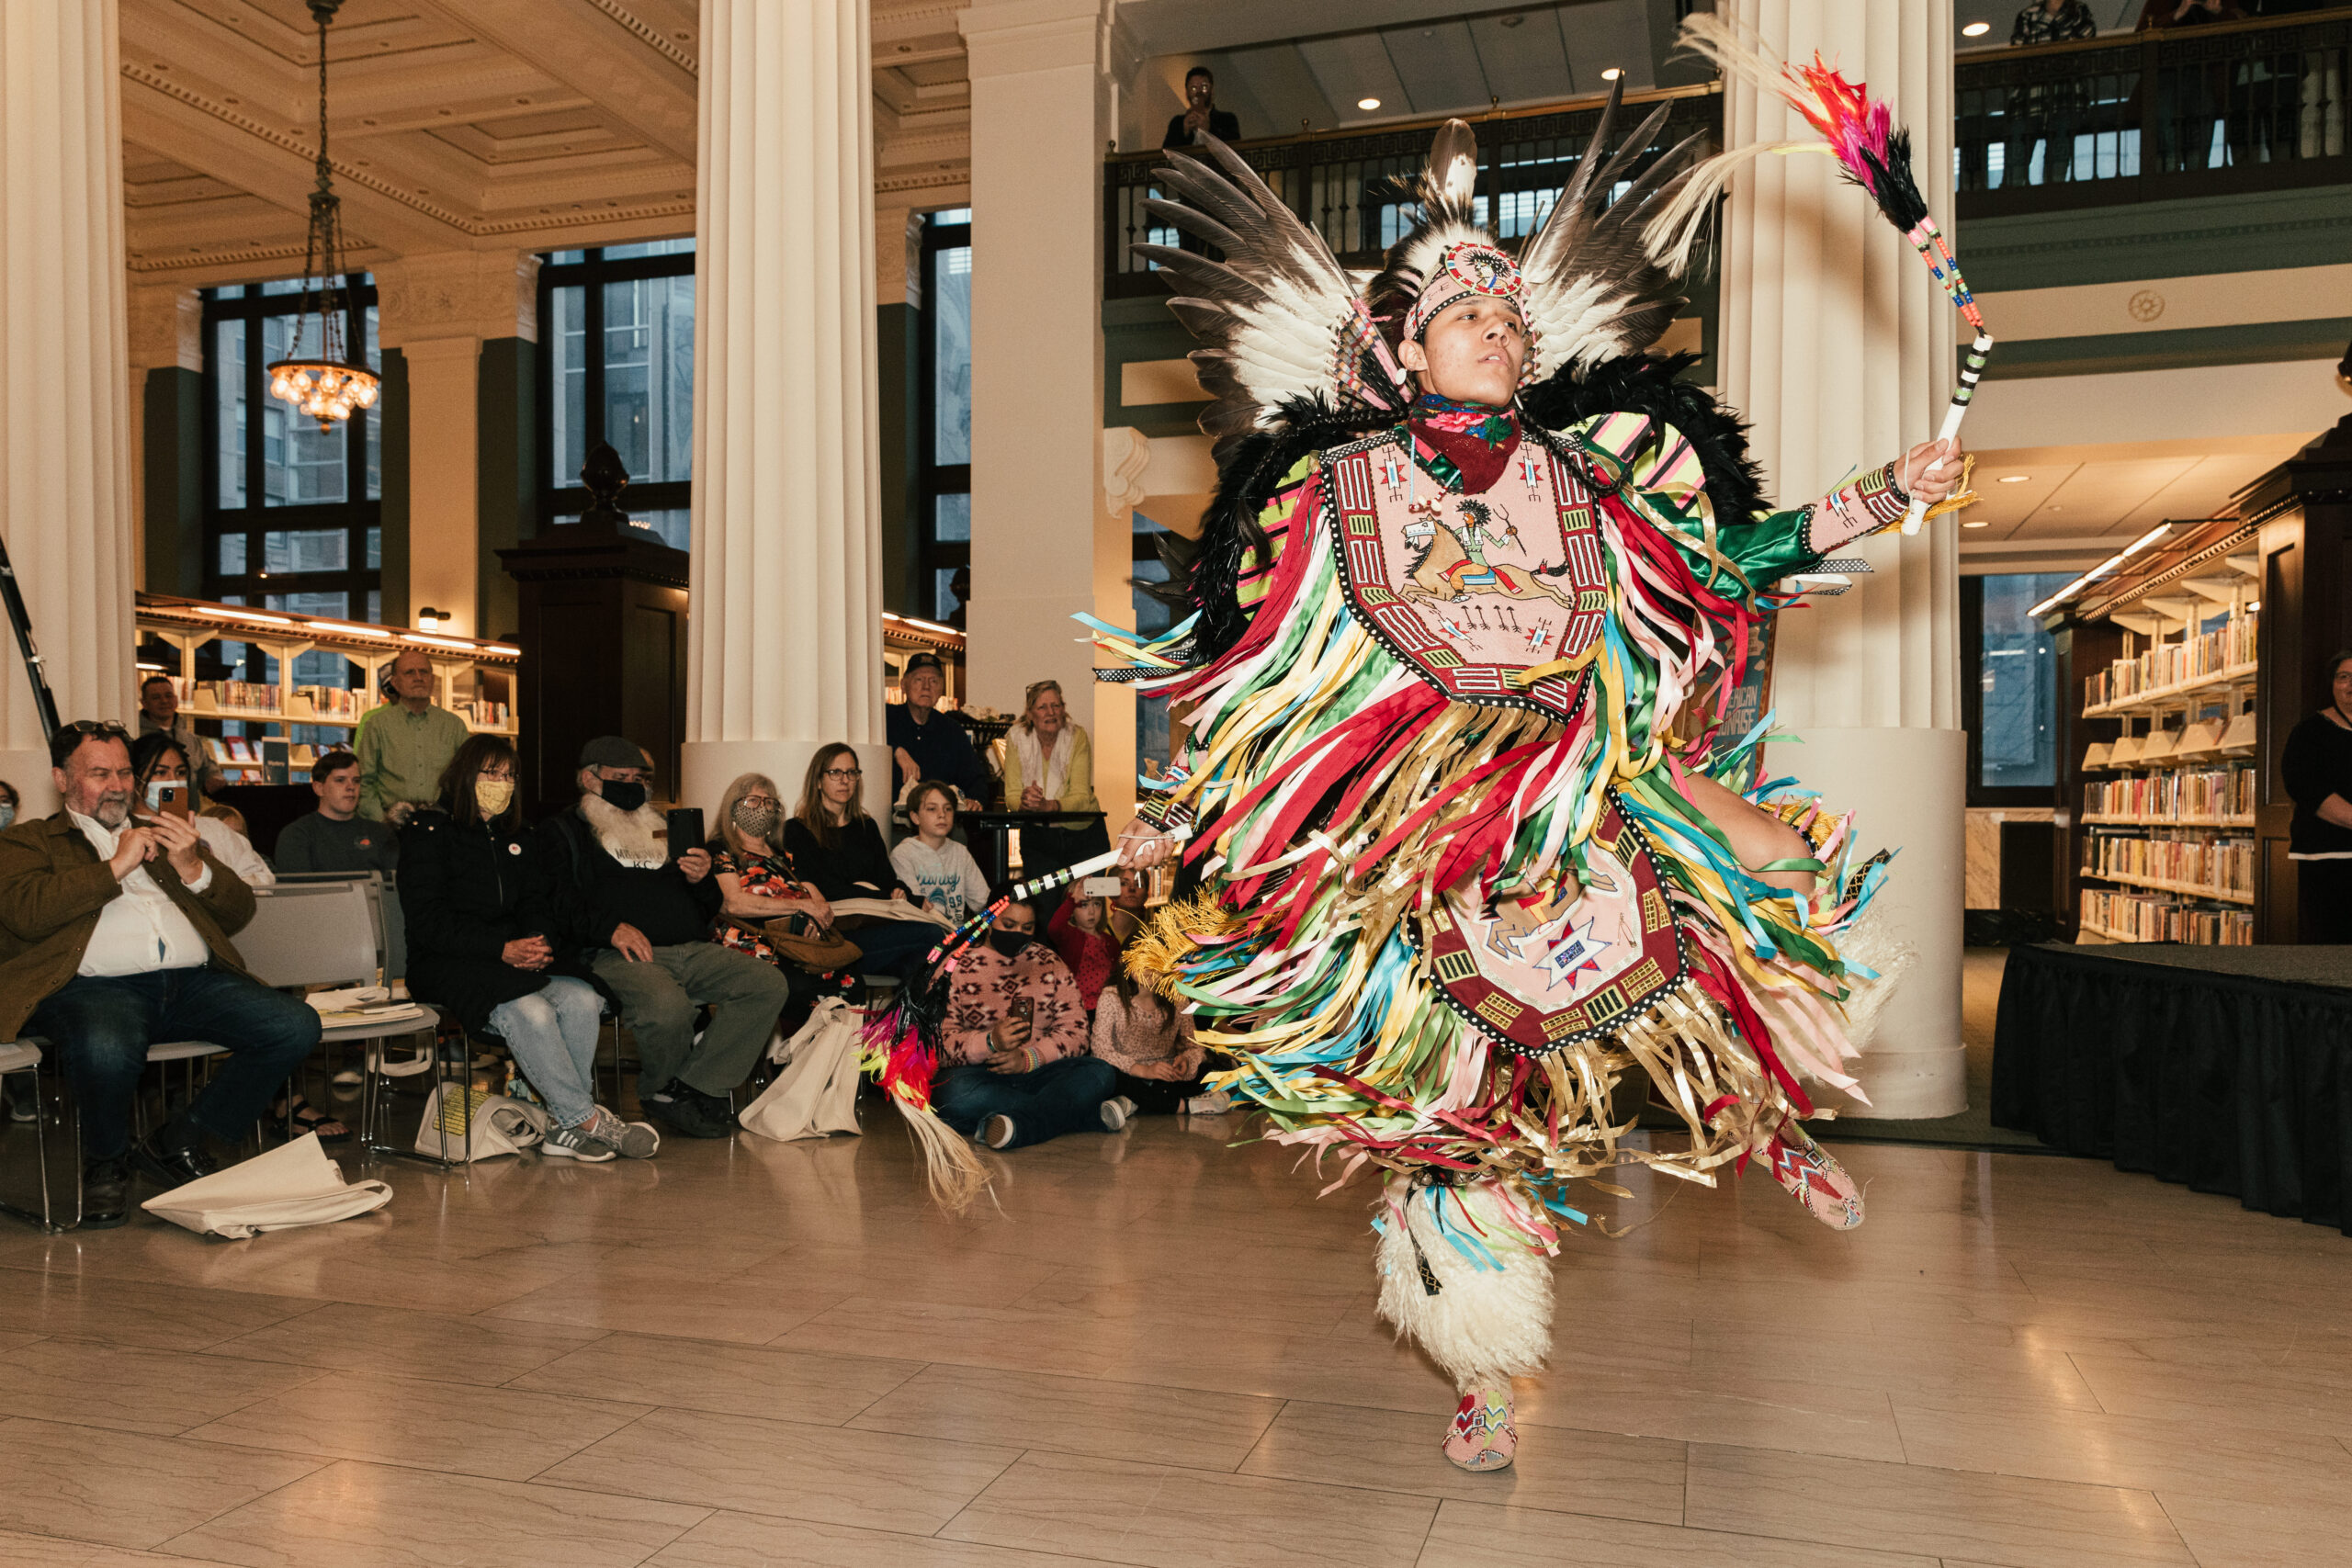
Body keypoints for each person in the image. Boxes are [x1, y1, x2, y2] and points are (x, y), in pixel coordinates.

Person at [1110, 106, 1966, 1470]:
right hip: (1417, 810)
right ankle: (1481, 1370)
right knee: (1460, 1110)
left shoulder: (1591, 480)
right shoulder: (1342, 491)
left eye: (1512, 315)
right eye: (1466, 312)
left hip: (1584, 760)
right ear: (1403, 346)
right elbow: (1252, 665)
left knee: (1773, 872)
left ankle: (1759, 1110)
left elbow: (1727, 556)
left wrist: (1879, 494)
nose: (1499, 328)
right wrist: (1187, 805)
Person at [0, 722, 322, 1228]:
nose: (118, 785)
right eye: (100, 773)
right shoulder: (31, 842)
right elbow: (25, 912)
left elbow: (238, 912)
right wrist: (115, 867)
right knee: (105, 1043)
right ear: (62, 780)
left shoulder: (165, 832)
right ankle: (105, 1163)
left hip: (193, 983)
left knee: (294, 1024)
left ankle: (178, 1140)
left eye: (125, 772)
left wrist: (193, 865)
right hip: (94, 989)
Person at [526, 736, 791, 1140]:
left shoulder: (663, 828)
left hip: (691, 948)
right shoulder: (562, 832)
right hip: (618, 953)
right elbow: (558, 901)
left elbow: (706, 906)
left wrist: (701, 880)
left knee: (765, 983)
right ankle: (666, 1092)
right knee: (668, 1009)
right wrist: (610, 928)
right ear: (590, 778)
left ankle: (688, 1087)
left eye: (640, 778)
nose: (633, 786)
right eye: (621, 777)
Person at [403, 735, 654, 1160]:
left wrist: (536, 944)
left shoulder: (519, 835)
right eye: (490, 773)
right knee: (531, 1008)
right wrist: (500, 947)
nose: (500, 783)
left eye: (509, 775)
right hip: (450, 961)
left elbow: (538, 902)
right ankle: (587, 1120)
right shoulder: (429, 833)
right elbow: (429, 921)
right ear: (466, 775)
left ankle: (561, 1129)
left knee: (581, 997)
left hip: (512, 959)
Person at [933, 891, 1128, 1149]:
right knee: (950, 1094)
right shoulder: (954, 966)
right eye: (1009, 925)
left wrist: (1028, 1059)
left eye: (1027, 928)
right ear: (990, 921)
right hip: (981, 1074)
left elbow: (1077, 1035)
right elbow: (936, 1044)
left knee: (1100, 1072)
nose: (1017, 933)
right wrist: (990, 1042)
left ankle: (1013, 1125)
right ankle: (1084, 1116)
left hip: (1041, 1071)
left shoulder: (1049, 962)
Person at [783, 743, 946, 982]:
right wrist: (883, 896)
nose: (845, 780)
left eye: (852, 773)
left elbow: (886, 879)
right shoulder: (798, 829)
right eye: (835, 773)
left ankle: (906, 1020)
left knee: (917, 963)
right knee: (931, 935)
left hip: (876, 927)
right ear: (818, 781)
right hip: (835, 934)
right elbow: (825, 889)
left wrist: (900, 892)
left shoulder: (865, 826)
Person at [707, 770, 833, 971]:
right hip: (750, 948)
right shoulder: (720, 850)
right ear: (733, 808)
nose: (762, 808)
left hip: (796, 945)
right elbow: (733, 903)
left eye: (768, 802)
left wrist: (819, 916)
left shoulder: (783, 856)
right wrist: (801, 907)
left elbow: (814, 895)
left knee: (848, 975)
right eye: (753, 800)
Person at [128, 731, 274, 888]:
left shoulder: (216, 829)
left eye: (181, 772)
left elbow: (263, 879)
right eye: (160, 773)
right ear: (134, 780)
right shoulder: (126, 833)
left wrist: (216, 881)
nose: (174, 781)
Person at [1090, 959, 1231, 1116]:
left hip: (1164, 1074)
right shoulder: (1111, 996)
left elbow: (1194, 1045)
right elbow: (1100, 1050)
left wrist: (1186, 1061)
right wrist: (1143, 1070)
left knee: (1207, 1072)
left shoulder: (1176, 996)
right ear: (1126, 962)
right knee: (1107, 1077)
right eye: (1141, 957)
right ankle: (1185, 1106)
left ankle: (1132, 1102)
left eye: (1155, 958)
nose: (1148, 967)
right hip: (1126, 1072)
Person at [2282, 650, 2352, 943]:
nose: (2350, 685)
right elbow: (2307, 788)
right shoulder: (2310, 732)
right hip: (2329, 859)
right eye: (2343, 677)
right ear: (2332, 685)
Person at [356, 649, 469, 825]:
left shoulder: (454, 726)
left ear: (432, 679)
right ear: (395, 682)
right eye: (409, 672)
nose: (418, 677)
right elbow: (364, 780)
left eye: (424, 672)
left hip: (443, 826)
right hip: (392, 826)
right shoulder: (377, 725)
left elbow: (467, 780)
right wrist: (381, 822)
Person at [2004, 0, 2098, 186]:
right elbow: (2018, 52)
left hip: (2067, 95)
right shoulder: (2028, 15)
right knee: (2018, 147)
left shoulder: (2080, 13)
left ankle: (2054, 189)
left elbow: (2086, 41)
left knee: (2060, 146)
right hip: (2030, 97)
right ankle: (2014, 195)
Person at [275, 750, 401, 876]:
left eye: (356, 781)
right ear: (319, 788)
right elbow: (298, 891)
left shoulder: (381, 833)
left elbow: (395, 885)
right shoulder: (297, 835)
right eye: (340, 780)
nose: (351, 787)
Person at [888, 653, 989, 805]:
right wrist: (895, 750)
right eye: (919, 679)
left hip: (941, 822)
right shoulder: (886, 718)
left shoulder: (952, 730)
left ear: (941, 689)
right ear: (903, 685)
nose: (926, 687)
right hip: (891, 821)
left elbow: (975, 779)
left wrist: (974, 800)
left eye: (934, 681)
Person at [1045, 871, 1147, 1017]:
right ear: (1072, 911)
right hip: (1078, 1007)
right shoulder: (1070, 936)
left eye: (1097, 904)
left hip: (1106, 1006)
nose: (1092, 911)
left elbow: (1117, 973)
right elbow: (1054, 928)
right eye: (1083, 905)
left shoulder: (1110, 941)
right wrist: (1072, 901)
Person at [890, 779, 989, 921]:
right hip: (923, 934)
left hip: (957, 935)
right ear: (915, 817)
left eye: (948, 809)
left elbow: (983, 901)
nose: (942, 814)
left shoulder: (960, 853)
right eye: (932, 809)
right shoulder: (903, 854)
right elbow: (914, 909)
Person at [137, 673, 227, 793]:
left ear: (176, 700)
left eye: (168, 696)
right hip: (149, 809)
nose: (164, 701)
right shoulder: (136, 737)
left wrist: (214, 778)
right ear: (144, 703)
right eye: (156, 697)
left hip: (188, 809)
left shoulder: (191, 740)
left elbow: (209, 769)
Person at [1161, 65, 1240, 149]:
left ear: (1212, 91)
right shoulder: (1177, 122)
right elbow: (1167, 154)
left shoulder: (1227, 119)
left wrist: (1209, 130)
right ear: (1187, 93)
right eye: (1194, 88)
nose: (1199, 92)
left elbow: (1235, 149)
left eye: (1204, 87)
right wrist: (1184, 132)